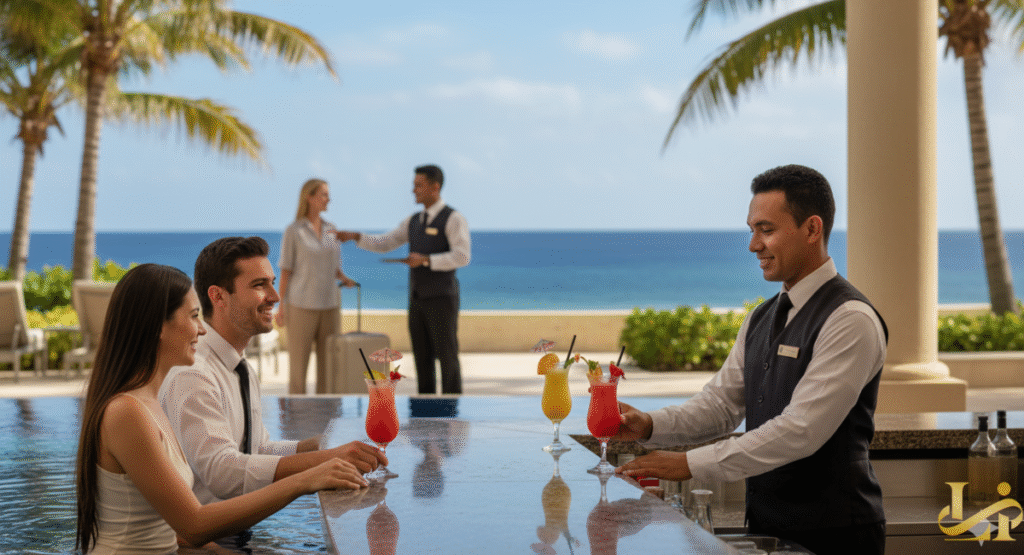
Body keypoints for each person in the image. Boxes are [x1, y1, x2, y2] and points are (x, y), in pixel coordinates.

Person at [614, 165, 888, 555]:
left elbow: (801, 431)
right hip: (767, 528)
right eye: (752, 229)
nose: (753, 245)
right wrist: (649, 425)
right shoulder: (761, 317)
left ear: (812, 230)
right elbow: (721, 405)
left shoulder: (850, 319)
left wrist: (689, 463)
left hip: (837, 535)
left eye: (767, 229)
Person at [75, 264, 365, 554]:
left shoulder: (150, 402)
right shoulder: (127, 413)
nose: (202, 329)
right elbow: (194, 524)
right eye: (193, 316)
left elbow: (168, 529)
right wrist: (305, 480)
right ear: (157, 328)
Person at [160, 236, 387, 508]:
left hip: (238, 527)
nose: (275, 296)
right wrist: (323, 462)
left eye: (272, 282)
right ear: (218, 295)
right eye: (259, 285)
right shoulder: (194, 374)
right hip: (209, 541)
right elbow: (222, 473)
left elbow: (258, 449)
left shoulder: (240, 368)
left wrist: (322, 445)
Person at [337, 164, 471, 394]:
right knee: (421, 358)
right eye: (414, 185)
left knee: (447, 358)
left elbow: (462, 256)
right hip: (417, 299)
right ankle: (426, 413)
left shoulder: (454, 218)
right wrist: (357, 237)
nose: (413, 191)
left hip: (442, 298)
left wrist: (426, 260)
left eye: (418, 185)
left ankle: (452, 412)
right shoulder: (413, 221)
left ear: (435, 187)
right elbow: (386, 242)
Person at [276, 178, 356, 394]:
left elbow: (335, 269)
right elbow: (286, 270)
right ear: (309, 197)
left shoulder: (332, 230)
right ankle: (295, 418)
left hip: (330, 305)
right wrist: (281, 306)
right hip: (301, 305)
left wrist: (345, 279)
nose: (328, 199)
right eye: (323, 194)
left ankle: (326, 420)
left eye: (328, 194)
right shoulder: (293, 231)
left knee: (329, 368)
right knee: (298, 369)